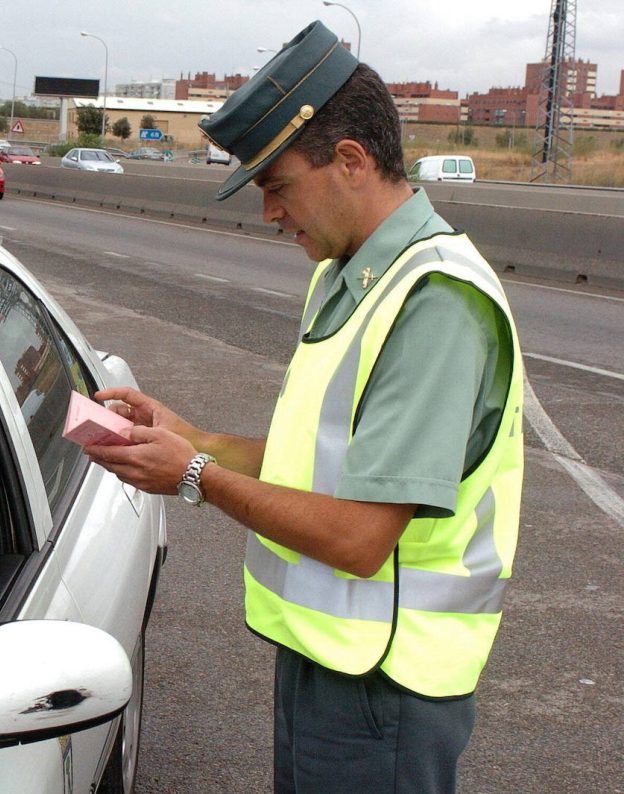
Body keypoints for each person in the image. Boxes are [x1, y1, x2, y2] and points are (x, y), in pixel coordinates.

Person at [85, 20, 523, 794]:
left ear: (350, 161)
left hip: (387, 687)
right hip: (334, 663)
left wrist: (192, 475)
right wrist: (197, 438)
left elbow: (359, 538)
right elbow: (321, 463)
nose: (269, 214)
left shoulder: (433, 303)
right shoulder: (346, 275)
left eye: (277, 185)